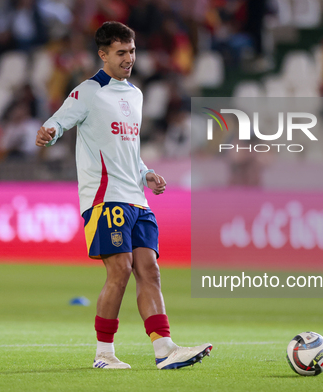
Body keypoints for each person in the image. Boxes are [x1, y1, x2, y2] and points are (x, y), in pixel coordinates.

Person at [35, 21, 212, 370]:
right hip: (105, 198)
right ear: (103, 55)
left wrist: (146, 174)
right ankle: (104, 354)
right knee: (120, 269)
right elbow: (59, 122)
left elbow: (128, 150)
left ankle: (164, 350)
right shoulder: (88, 91)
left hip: (137, 198)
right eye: (121, 52)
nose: (129, 58)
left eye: (132, 51)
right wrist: (48, 133)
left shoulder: (136, 94)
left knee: (151, 271)